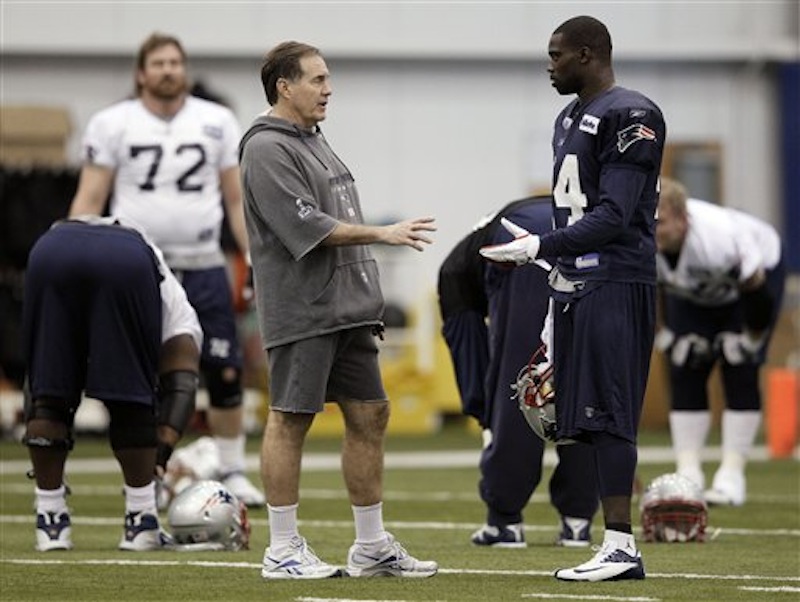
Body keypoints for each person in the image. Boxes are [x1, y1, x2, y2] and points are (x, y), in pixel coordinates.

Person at [239, 41, 438, 580]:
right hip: (304, 308)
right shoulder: (264, 148)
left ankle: (371, 546)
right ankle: (282, 549)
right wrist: (384, 232)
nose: (328, 89)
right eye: (318, 79)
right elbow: (305, 224)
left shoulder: (313, 138)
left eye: (328, 80)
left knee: (371, 414)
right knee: (291, 418)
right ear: (285, 86)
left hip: (348, 307)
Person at [480, 15, 666, 582]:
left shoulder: (632, 113)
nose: (550, 64)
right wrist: (556, 267)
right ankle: (612, 544)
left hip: (616, 279)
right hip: (578, 282)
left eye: (558, 54)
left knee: (610, 416)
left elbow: (614, 215)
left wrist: (542, 244)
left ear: (587, 54)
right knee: (580, 418)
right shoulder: (568, 117)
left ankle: (621, 546)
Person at [67, 32, 264, 507]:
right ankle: (147, 474)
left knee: (225, 369)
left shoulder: (215, 120)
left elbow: (235, 199)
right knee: (145, 375)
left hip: (204, 263)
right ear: (141, 72)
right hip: (139, 266)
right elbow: (91, 198)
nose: (168, 69)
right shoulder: (113, 122)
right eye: (158, 62)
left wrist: (254, 255)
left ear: (185, 68)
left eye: (175, 61)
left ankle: (233, 467)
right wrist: (71, 251)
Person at [22, 215, 202, 551]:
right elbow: (182, 382)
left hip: (50, 248)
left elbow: (36, 384)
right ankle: (141, 520)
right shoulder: (172, 293)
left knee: (47, 393)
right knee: (131, 396)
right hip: (124, 258)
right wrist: (160, 454)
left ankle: (50, 521)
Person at [438, 195, 599, 548]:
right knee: (582, 385)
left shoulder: (455, 277)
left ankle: (505, 522)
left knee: (520, 383)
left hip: (522, 250)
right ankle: (577, 520)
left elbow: (475, 361)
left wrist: (482, 410)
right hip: (587, 240)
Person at [654, 177, 786, 506]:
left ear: (683, 219)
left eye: (661, 222)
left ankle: (732, 476)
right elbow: (640, 295)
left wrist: (750, 341)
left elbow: (757, 291)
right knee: (685, 364)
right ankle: (689, 474)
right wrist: (667, 340)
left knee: (739, 367)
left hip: (749, 287)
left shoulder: (721, 241)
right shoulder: (637, 237)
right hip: (692, 293)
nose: (653, 229)